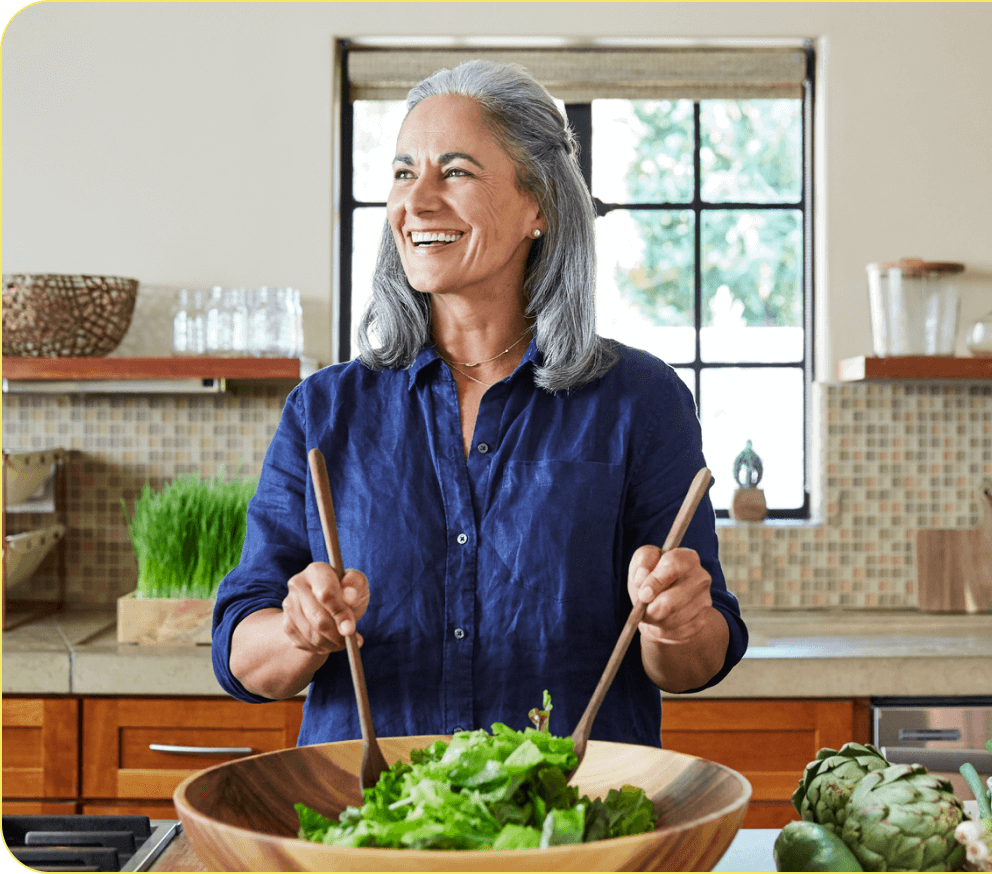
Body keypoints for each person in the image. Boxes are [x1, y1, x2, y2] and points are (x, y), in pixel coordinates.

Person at [212, 59, 748, 748]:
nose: (419, 201)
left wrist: (677, 620)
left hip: (570, 834)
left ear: (541, 206)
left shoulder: (640, 402)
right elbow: (241, 656)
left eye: (456, 171)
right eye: (405, 173)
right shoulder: (324, 410)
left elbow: (698, 660)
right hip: (374, 834)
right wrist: (296, 630)